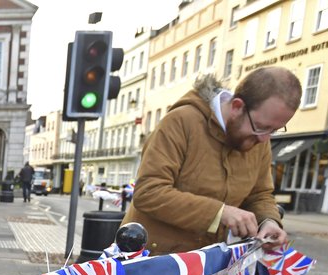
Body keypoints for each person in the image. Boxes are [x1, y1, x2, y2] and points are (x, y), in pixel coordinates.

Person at [122, 66, 299, 254]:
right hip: (154, 261)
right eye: (262, 127)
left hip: (210, 265)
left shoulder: (258, 137)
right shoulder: (181, 122)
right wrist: (220, 213)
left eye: (274, 130)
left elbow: (259, 194)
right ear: (237, 106)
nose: (265, 138)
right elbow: (149, 192)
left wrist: (268, 220)